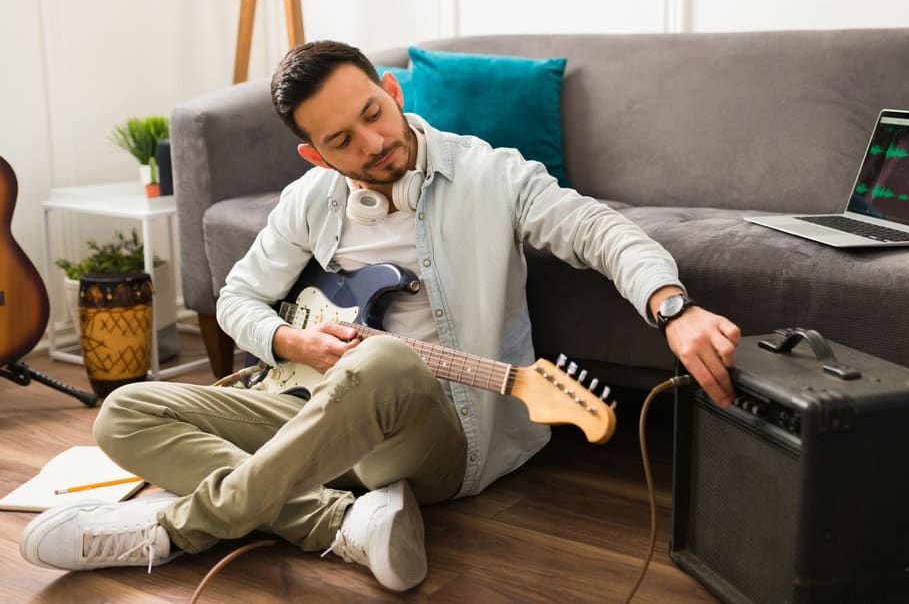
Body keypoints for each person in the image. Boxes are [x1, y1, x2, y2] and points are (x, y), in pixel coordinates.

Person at [20, 40, 740, 591]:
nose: (373, 143)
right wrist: (289, 337)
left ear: (390, 91)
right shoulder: (310, 198)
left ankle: (173, 530)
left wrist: (671, 306)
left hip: (435, 436)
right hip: (309, 410)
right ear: (315, 153)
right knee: (124, 413)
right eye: (342, 141)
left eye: (373, 114)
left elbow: (596, 229)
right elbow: (238, 295)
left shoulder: (490, 174)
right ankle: (340, 521)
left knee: (385, 359)